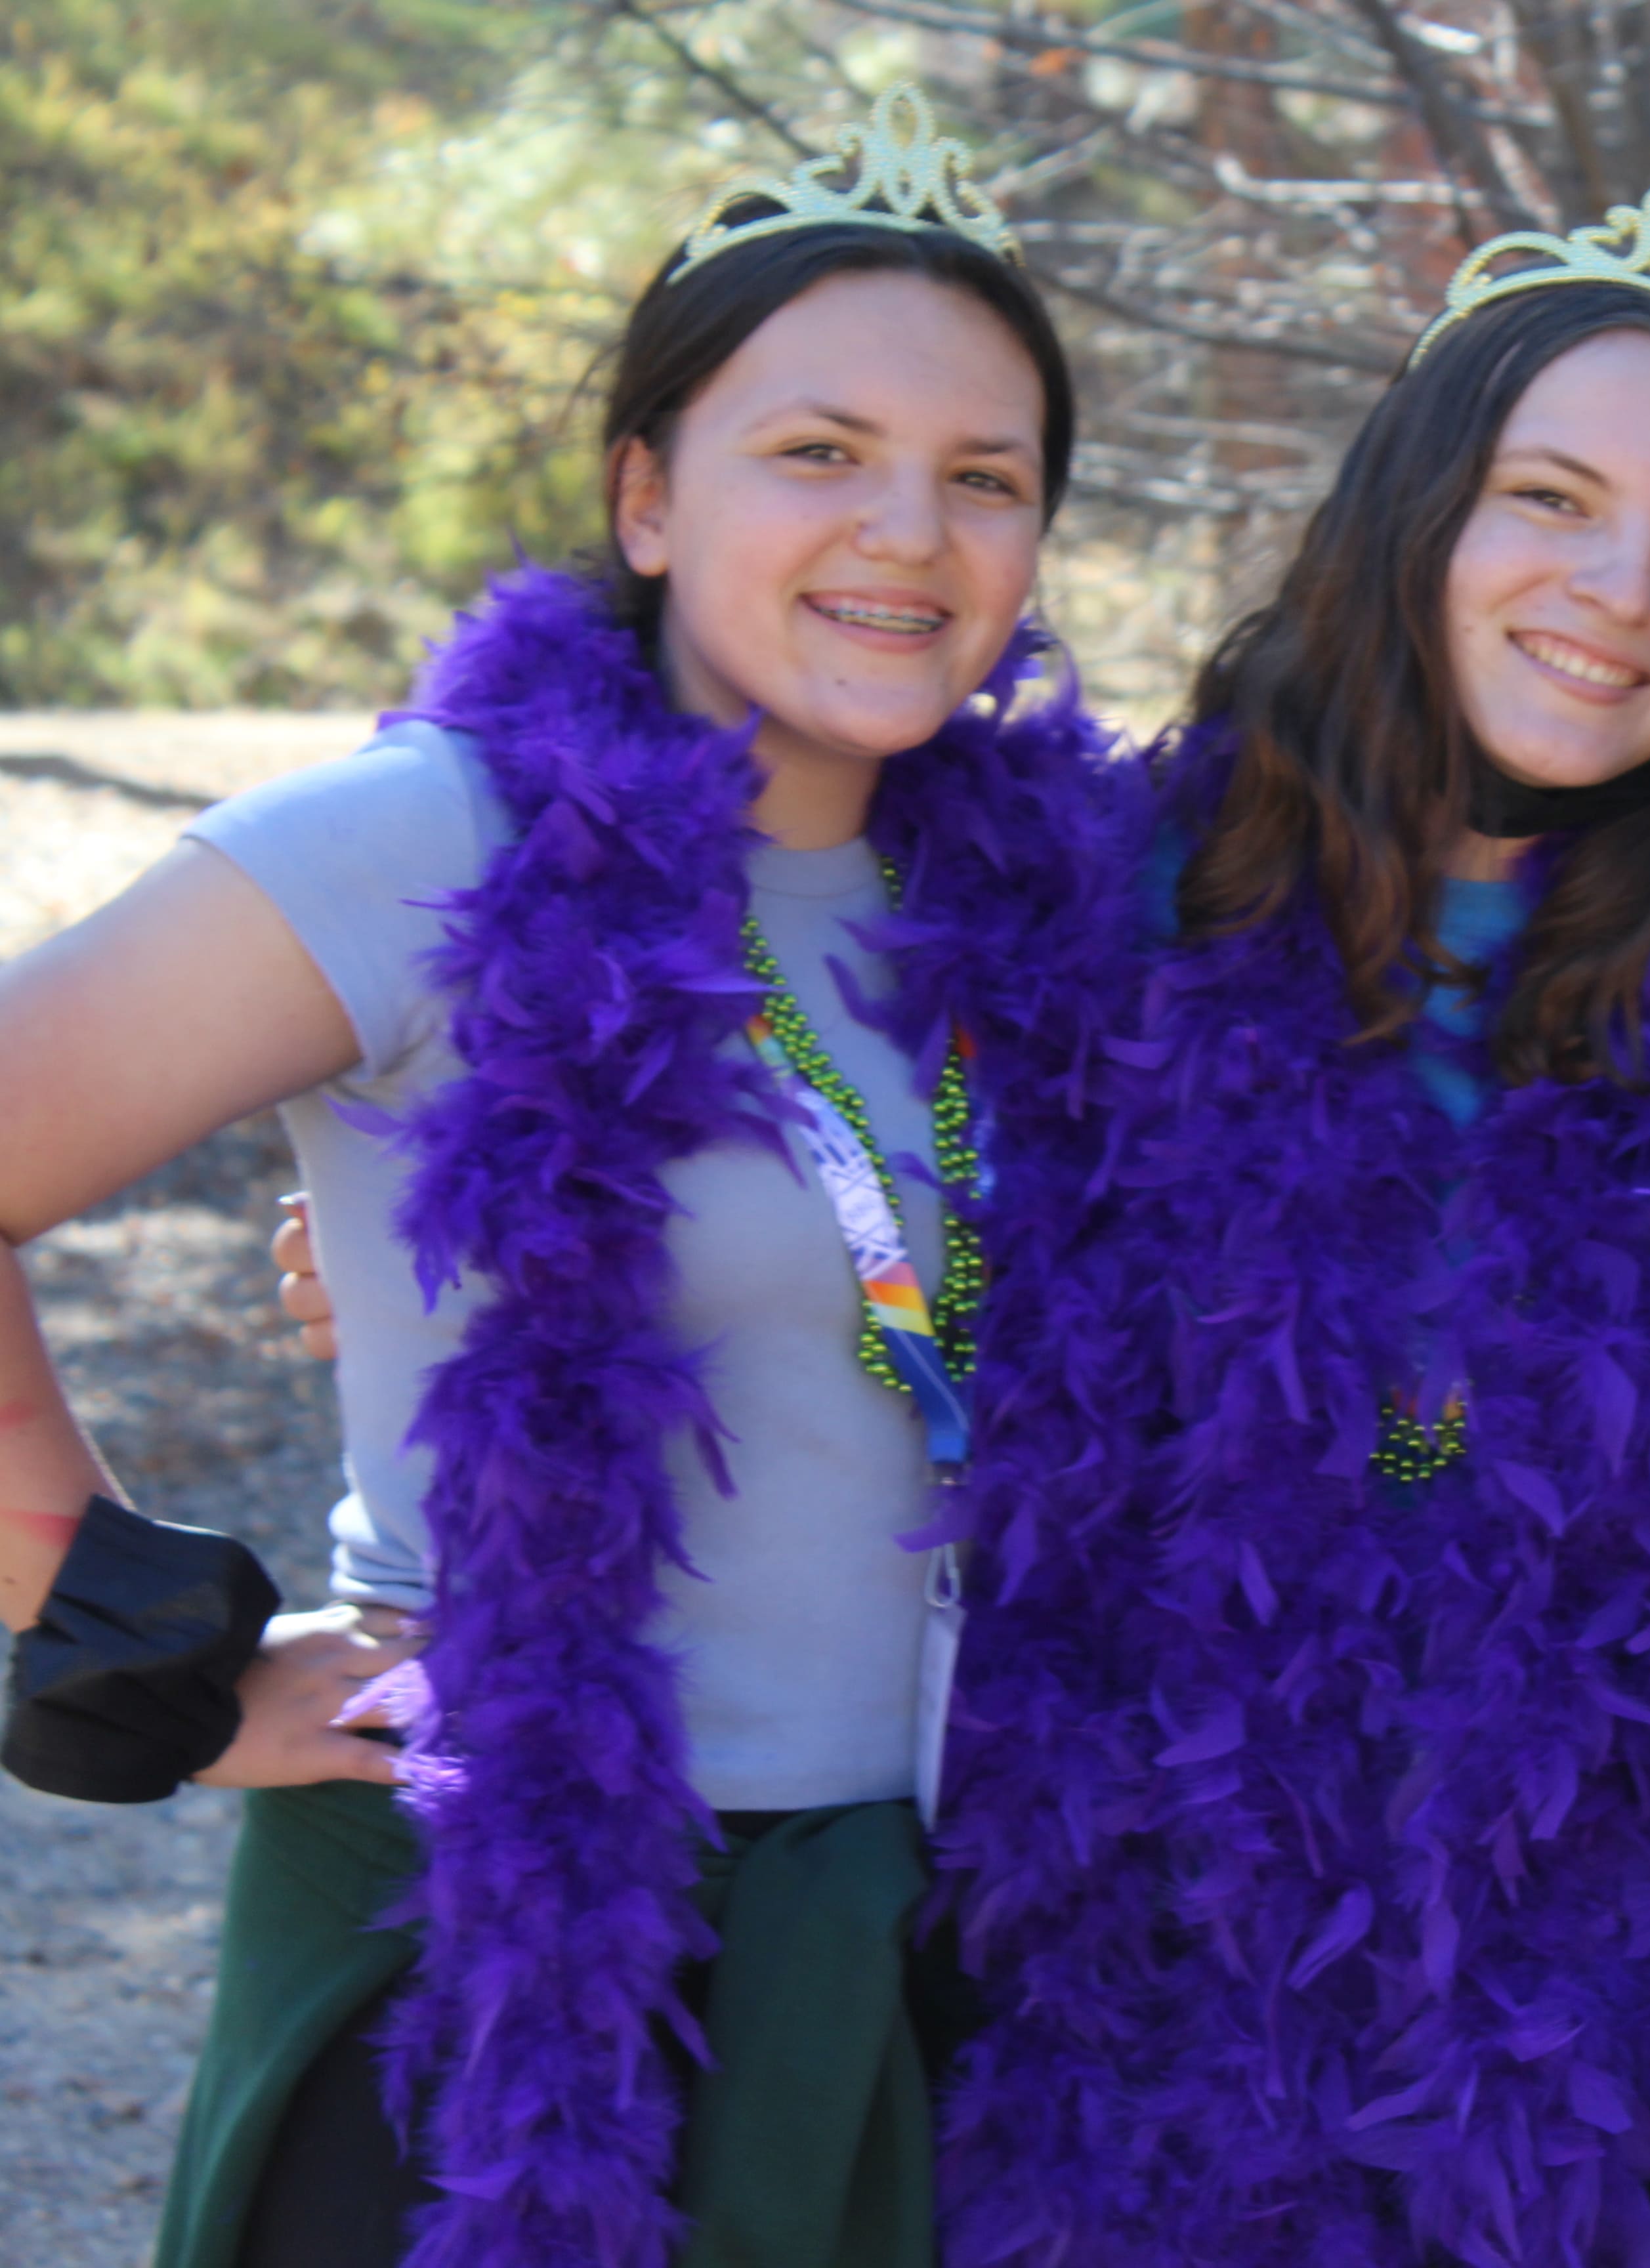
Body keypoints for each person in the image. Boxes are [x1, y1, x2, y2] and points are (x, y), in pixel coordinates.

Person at [0, 88, 1124, 2268]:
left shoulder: (1062, 902)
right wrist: (112, 1628)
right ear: (643, 492)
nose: (909, 531)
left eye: (984, 480)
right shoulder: (429, 842)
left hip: (922, 1955)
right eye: (818, 453)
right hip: (510, 1977)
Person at [923, 188, 1650, 2268]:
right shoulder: (1092, 900)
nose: (1625, 592)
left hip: (1617, 2035)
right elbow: (799, 1124)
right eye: (1554, 498)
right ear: (1418, 515)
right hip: (1151, 2008)